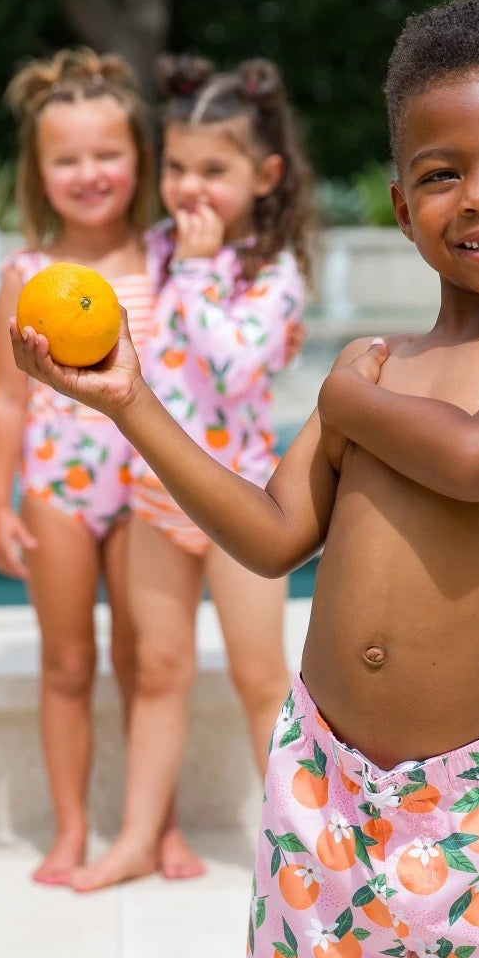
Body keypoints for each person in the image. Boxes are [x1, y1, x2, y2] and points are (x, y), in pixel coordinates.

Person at [11, 0, 479, 958]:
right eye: (443, 174)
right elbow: (264, 533)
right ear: (403, 207)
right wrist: (131, 403)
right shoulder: (379, 360)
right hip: (329, 783)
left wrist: (347, 399)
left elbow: (474, 458)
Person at [66, 54, 313, 890]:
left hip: (242, 503)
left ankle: (300, 852)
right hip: (155, 496)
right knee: (160, 669)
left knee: (259, 676)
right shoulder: (156, 250)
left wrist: (205, 271)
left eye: (214, 169)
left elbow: (238, 368)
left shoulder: (271, 274)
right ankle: (137, 837)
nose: (189, 186)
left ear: (265, 175)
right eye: (175, 167)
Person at [0, 47, 156, 886]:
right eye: (67, 158)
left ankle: (148, 827)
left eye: (107, 154)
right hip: (58, 488)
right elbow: (7, 403)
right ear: (39, 171)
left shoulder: (168, 261)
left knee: (143, 660)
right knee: (68, 664)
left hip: (146, 485)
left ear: (140, 160)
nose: (90, 173)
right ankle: (71, 827)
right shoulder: (24, 275)